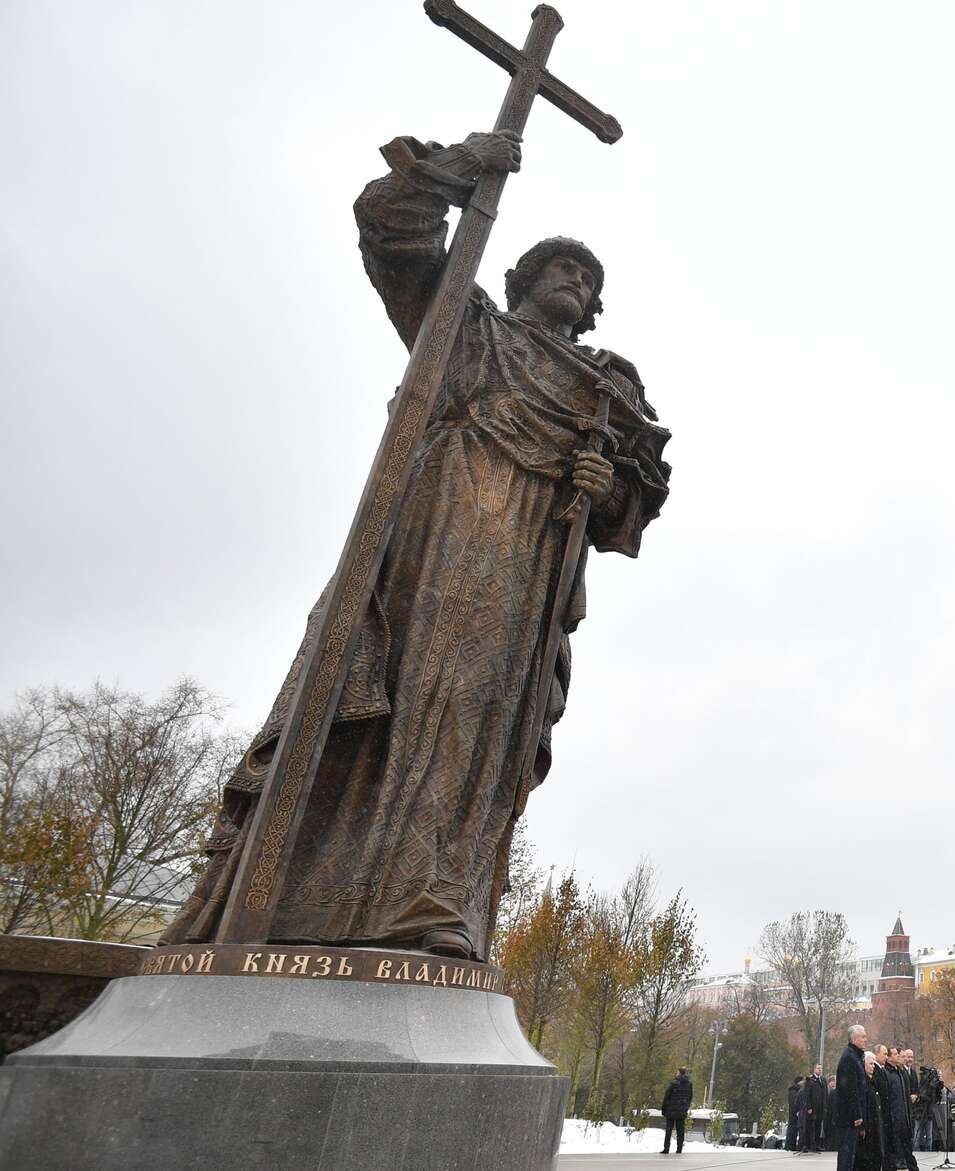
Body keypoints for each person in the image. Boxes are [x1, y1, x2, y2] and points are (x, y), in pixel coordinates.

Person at [161, 129, 672, 964]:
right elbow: (390, 230)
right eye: (562, 267)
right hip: (428, 539)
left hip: (522, 568)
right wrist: (464, 167)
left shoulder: (602, 384)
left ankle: (428, 894)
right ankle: (287, 886)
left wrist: (601, 479)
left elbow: (630, 506)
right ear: (521, 279)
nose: (576, 282)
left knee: (473, 718)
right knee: (374, 693)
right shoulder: (466, 327)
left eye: (589, 279)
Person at [838, 1026, 873, 1171]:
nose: (865, 1040)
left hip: (852, 1116)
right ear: (854, 1039)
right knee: (846, 1157)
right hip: (849, 1117)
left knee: (852, 1156)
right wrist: (857, 1114)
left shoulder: (855, 1056)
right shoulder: (849, 1058)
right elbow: (850, 1089)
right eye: (863, 1037)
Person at [661, 1066, 695, 1154]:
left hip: (671, 1110)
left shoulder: (674, 1083)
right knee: (680, 1131)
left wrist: (664, 1109)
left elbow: (666, 1096)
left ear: (679, 1073)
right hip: (682, 1111)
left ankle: (666, 1148)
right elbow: (690, 1097)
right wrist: (686, 1107)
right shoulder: (689, 1084)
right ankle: (679, 1149)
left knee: (669, 1130)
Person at [806, 1065, 830, 1153]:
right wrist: (809, 1107)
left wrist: (825, 1106)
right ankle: (811, 1145)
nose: (820, 1070)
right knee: (812, 1126)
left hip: (821, 1108)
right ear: (814, 1069)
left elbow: (826, 1094)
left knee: (818, 1126)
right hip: (813, 1108)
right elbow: (807, 1095)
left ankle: (817, 1145)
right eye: (818, 1068)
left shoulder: (823, 1080)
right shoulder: (810, 1080)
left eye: (821, 1069)